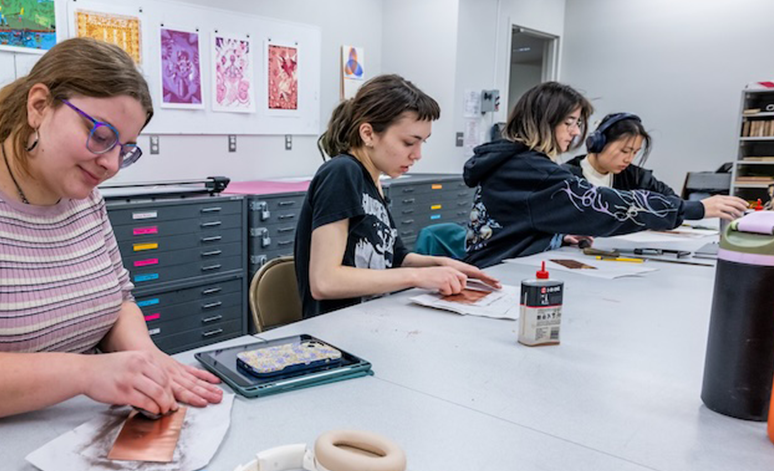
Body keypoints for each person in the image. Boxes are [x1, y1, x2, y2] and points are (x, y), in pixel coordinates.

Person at [0, 38, 222, 434]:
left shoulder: (84, 200)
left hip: (44, 437)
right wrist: (86, 373)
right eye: (100, 135)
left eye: (125, 150)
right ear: (39, 106)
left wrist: (146, 359)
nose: (111, 164)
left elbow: (117, 302)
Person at [462, 81, 745, 269]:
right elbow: (603, 205)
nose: (575, 132)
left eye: (577, 123)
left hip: (499, 266)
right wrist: (693, 208)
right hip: (496, 274)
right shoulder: (531, 170)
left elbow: (516, 225)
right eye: (569, 123)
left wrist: (556, 238)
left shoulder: (515, 161)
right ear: (544, 122)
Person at [294, 74, 499, 319]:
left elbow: (396, 257)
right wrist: (418, 276)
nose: (417, 155)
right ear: (368, 134)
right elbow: (325, 281)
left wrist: (441, 264)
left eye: (422, 142)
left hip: (372, 321)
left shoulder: (374, 181)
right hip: (337, 337)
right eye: (408, 142)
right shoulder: (342, 173)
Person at [563, 113, 747, 220]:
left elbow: (671, 200)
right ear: (597, 144)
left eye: (634, 152)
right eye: (624, 150)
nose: (629, 159)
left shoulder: (635, 176)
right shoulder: (567, 176)